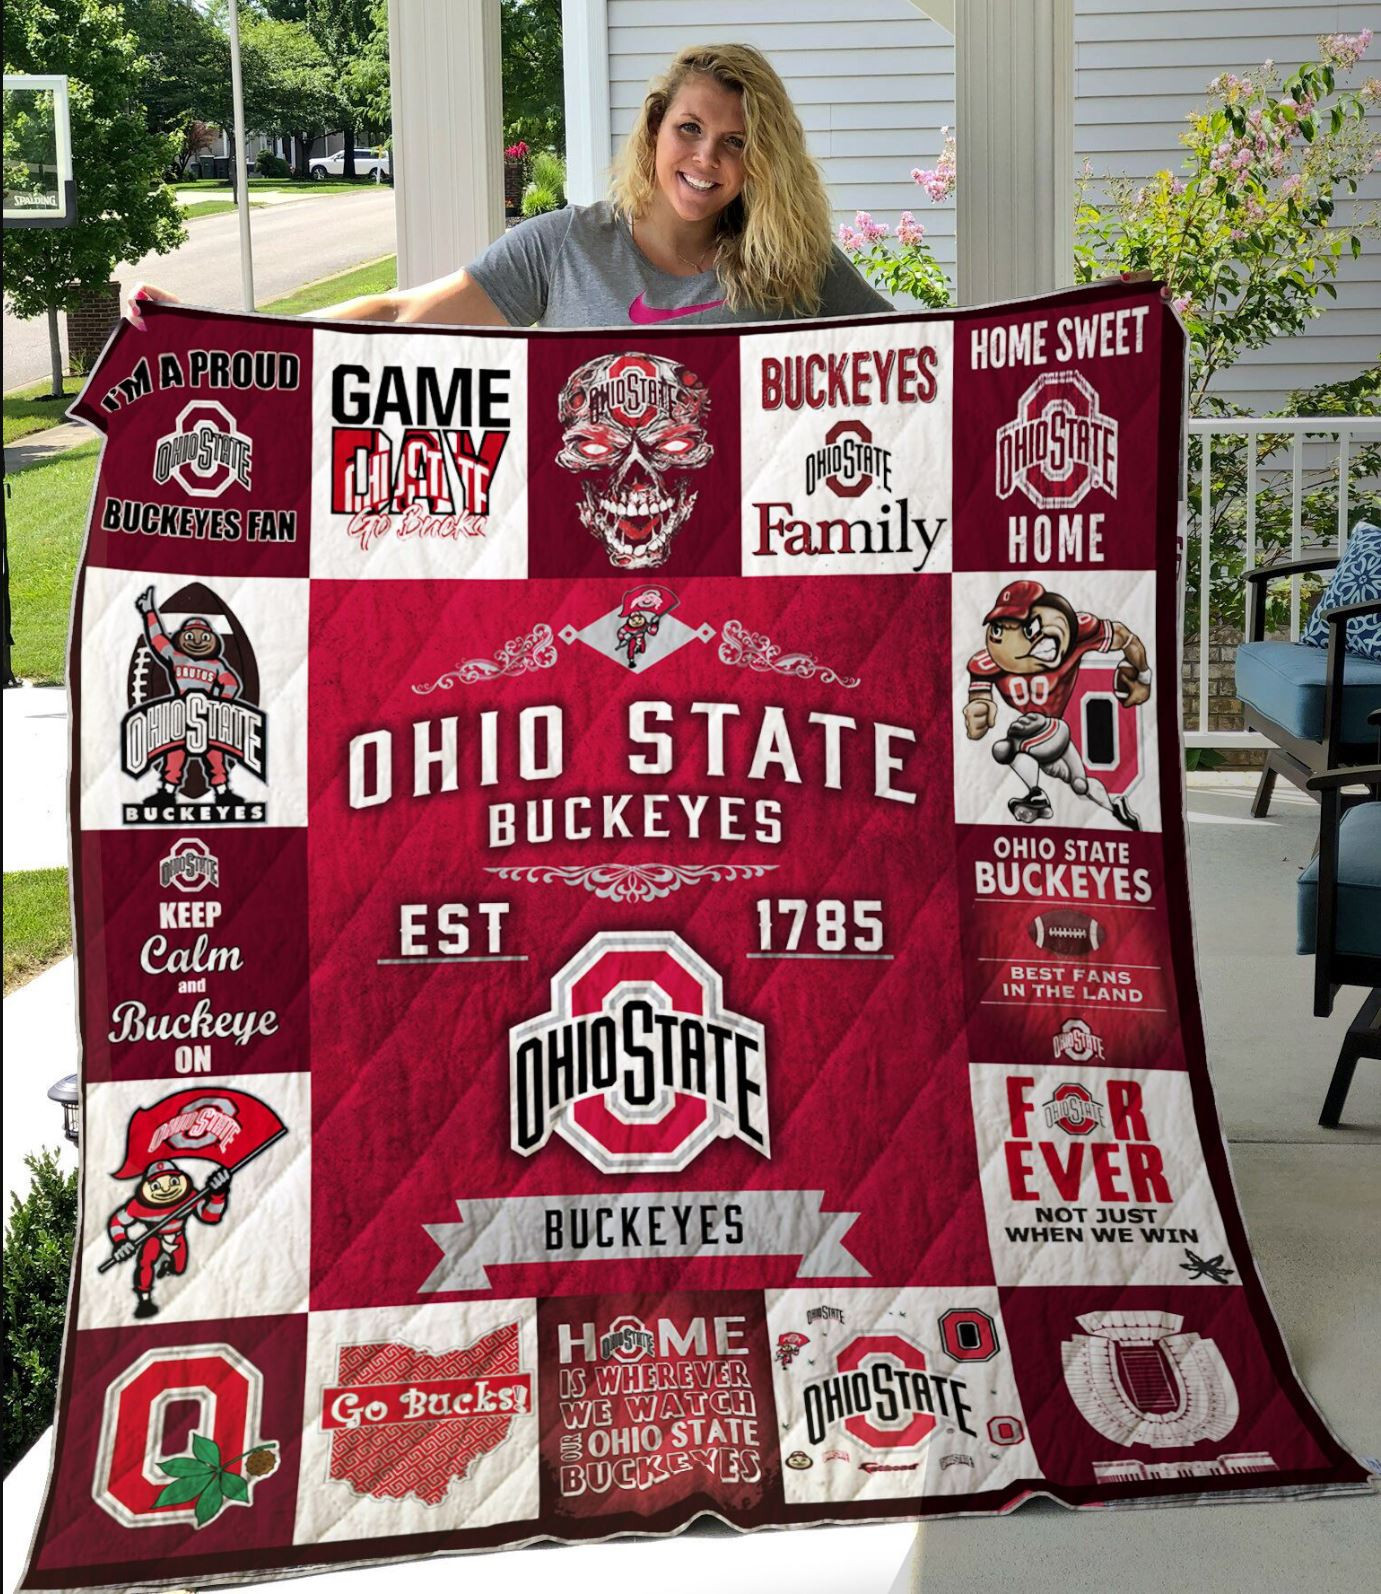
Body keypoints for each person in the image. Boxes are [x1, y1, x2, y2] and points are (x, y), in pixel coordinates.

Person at [126, 44, 892, 331]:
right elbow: (400, 313)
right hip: (580, 563)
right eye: (689, 128)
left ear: (761, 161)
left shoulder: (794, 262)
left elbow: (919, 363)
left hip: (739, 572)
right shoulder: (565, 246)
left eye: (735, 142)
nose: (705, 157)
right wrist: (219, 331)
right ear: (655, 128)